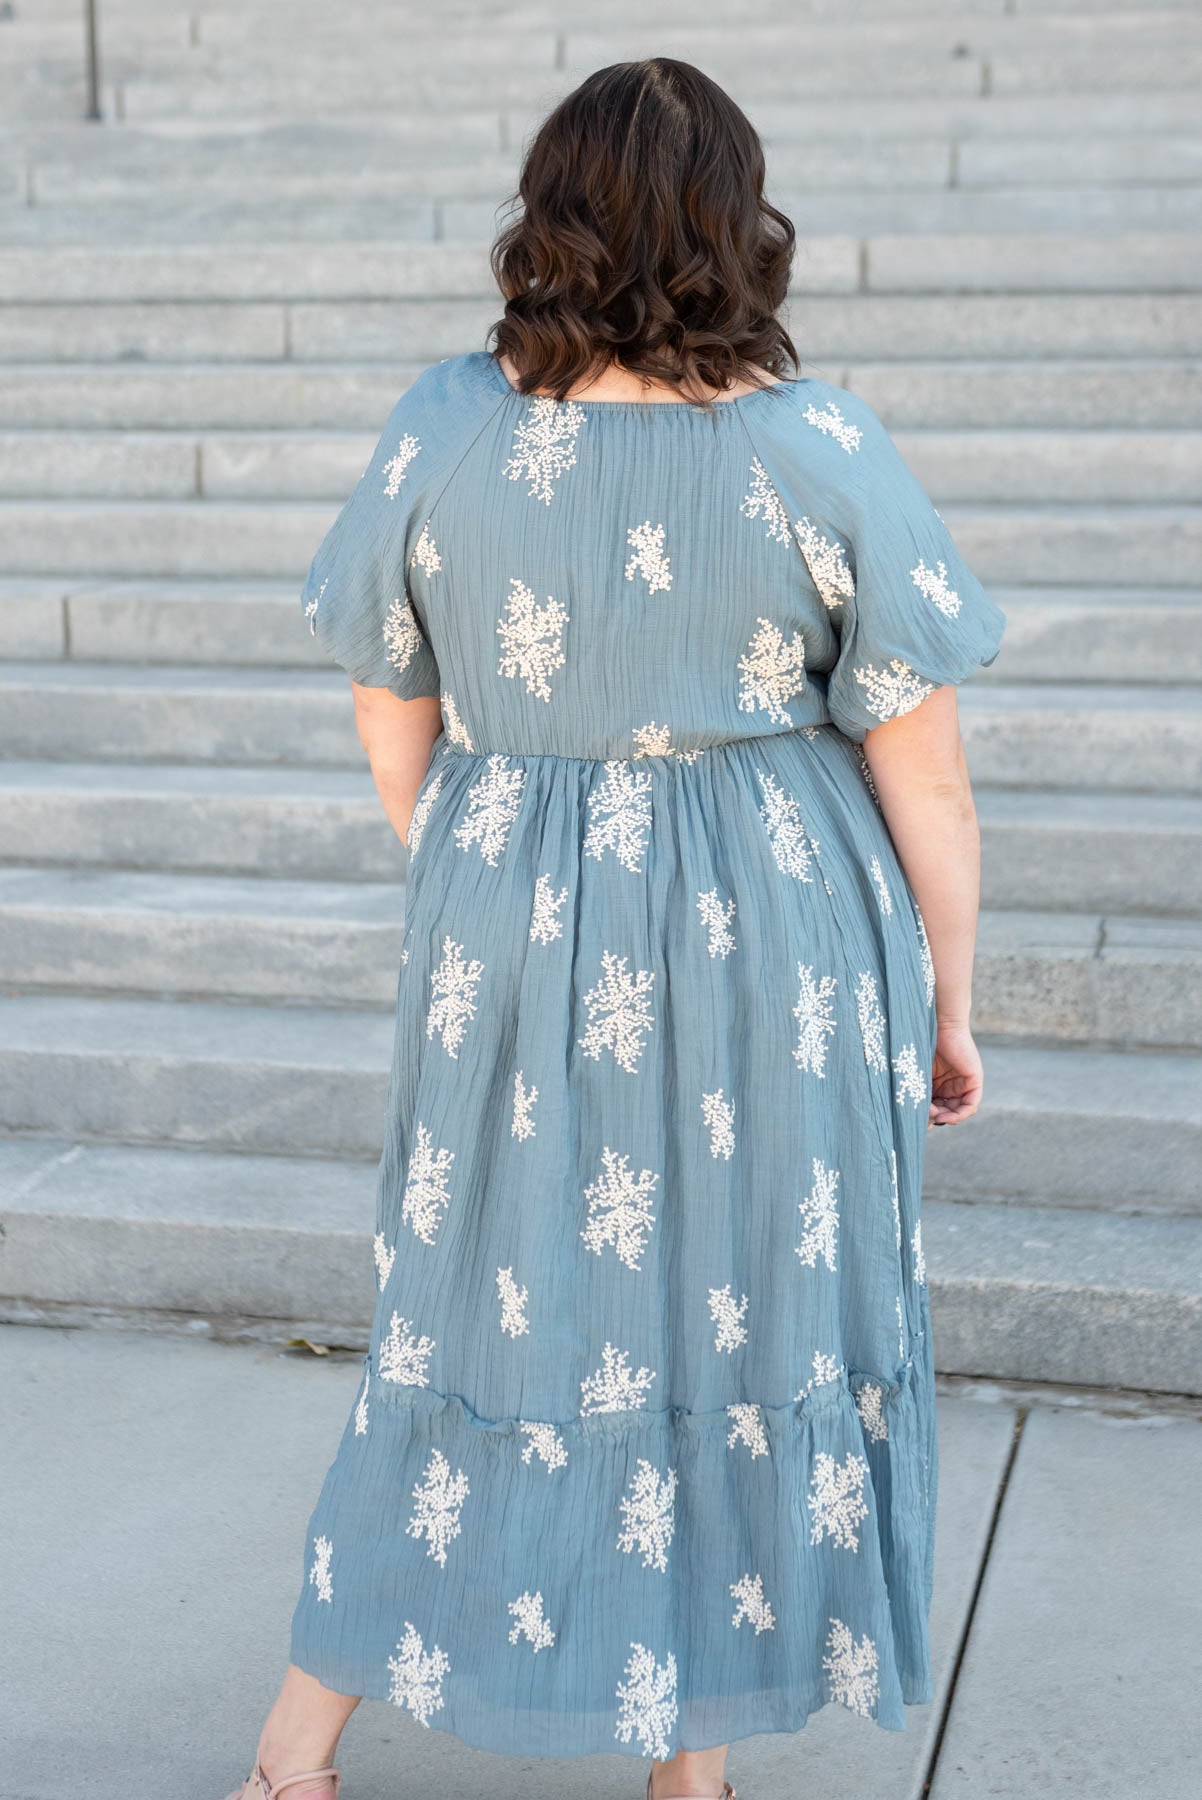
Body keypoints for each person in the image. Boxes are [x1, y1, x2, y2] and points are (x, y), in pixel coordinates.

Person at [223, 56, 1005, 1800]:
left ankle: (295, 1753)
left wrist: (485, 870)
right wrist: (949, 998)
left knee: (469, 1314)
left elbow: (384, 701)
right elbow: (926, 775)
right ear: (739, 224)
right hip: (780, 940)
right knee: (739, 1320)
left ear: (547, 212)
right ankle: (687, 1772)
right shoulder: (815, 444)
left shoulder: (445, 422)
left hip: (509, 904)